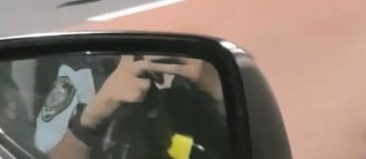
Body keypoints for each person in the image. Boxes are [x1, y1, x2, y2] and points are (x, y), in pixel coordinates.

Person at [34, 54, 226, 159]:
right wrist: (93, 114)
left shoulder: (201, 66)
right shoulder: (83, 74)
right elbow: (53, 154)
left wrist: (219, 91)